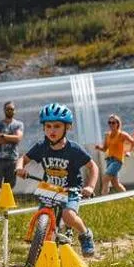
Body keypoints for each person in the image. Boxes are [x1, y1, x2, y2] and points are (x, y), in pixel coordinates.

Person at [15, 103, 99, 257]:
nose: (52, 130)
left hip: (71, 189)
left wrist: (90, 187)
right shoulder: (41, 146)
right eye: (48, 126)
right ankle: (43, 245)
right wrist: (20, 168)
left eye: (57, 126)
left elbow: (93, 167)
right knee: (42, 217)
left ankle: (85, 235)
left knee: (68, 216)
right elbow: (23, 158)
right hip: (49, 188)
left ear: (68, 128)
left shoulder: (74, 149)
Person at [0, 101, 24, 208]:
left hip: (12, 159)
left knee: (9, 187)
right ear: (4, 110)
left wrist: (2, 136)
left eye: (12, 109)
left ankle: (5, 208)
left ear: (15, 110)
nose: (10, 111)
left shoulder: (18, 124)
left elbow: (18, 138)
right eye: (8, 109)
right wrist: (10, 138)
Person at [94, 114, 134, 195]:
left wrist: (128, 151)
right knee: (115, 184)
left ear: (118, 124)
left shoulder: (122, 134)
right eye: (109, 122)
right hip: (109, 161)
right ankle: (128, 197)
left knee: (105, 179)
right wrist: (99, 147)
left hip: (117, 161)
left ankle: (104, 199)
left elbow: (133, 142)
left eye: (113, 122)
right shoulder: (107, 135)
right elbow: (105, 148)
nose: (111, 124)